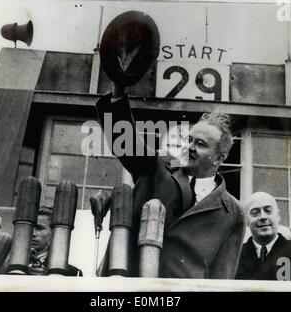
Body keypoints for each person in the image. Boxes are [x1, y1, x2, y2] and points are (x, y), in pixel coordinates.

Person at [96, 93, 245, 278]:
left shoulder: (234, 213)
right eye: (189, 140)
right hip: (128, 286)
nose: (189, 147)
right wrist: (118, 91)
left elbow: (222, 277)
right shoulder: (159, 165)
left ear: (219, 159)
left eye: (200, 144)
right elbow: (126, 145)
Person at [235, 192, 291, 281]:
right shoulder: (234, 258)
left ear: (278, 216)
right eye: (255, 213)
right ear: (246, 220)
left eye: (268, 211)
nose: (263, 217)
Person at [28, 207, 83, 276]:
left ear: (54, 233)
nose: (33, 234)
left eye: (39, 228)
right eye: (30, 227)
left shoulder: (72, 273)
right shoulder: (11, 266)